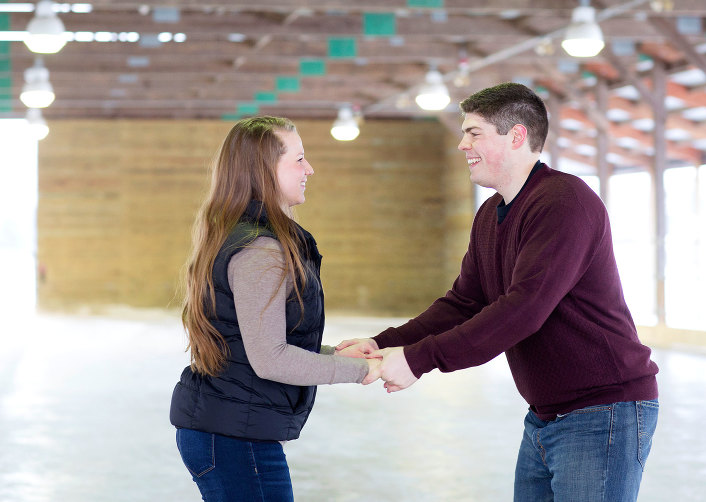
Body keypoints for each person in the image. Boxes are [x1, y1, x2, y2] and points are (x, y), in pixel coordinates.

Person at [337, 83, 659, 501]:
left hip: (603, 412)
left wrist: (419, 359)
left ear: (517, 136)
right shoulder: (491, 213)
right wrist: (382, 343)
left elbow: (524, 309)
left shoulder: (564, 202)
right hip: (546, 416)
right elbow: (464, 303)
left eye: (474, 133)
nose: (462, 145)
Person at [169, 116, 378, 502]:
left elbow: (251, 341)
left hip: (230, 428)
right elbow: (270, 359)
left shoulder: (250, 237)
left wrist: (334, 353)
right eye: (299, 159)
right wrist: (363, 370)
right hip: (232, 437)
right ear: (265, 170)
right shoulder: (260, 250)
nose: (309, 169)